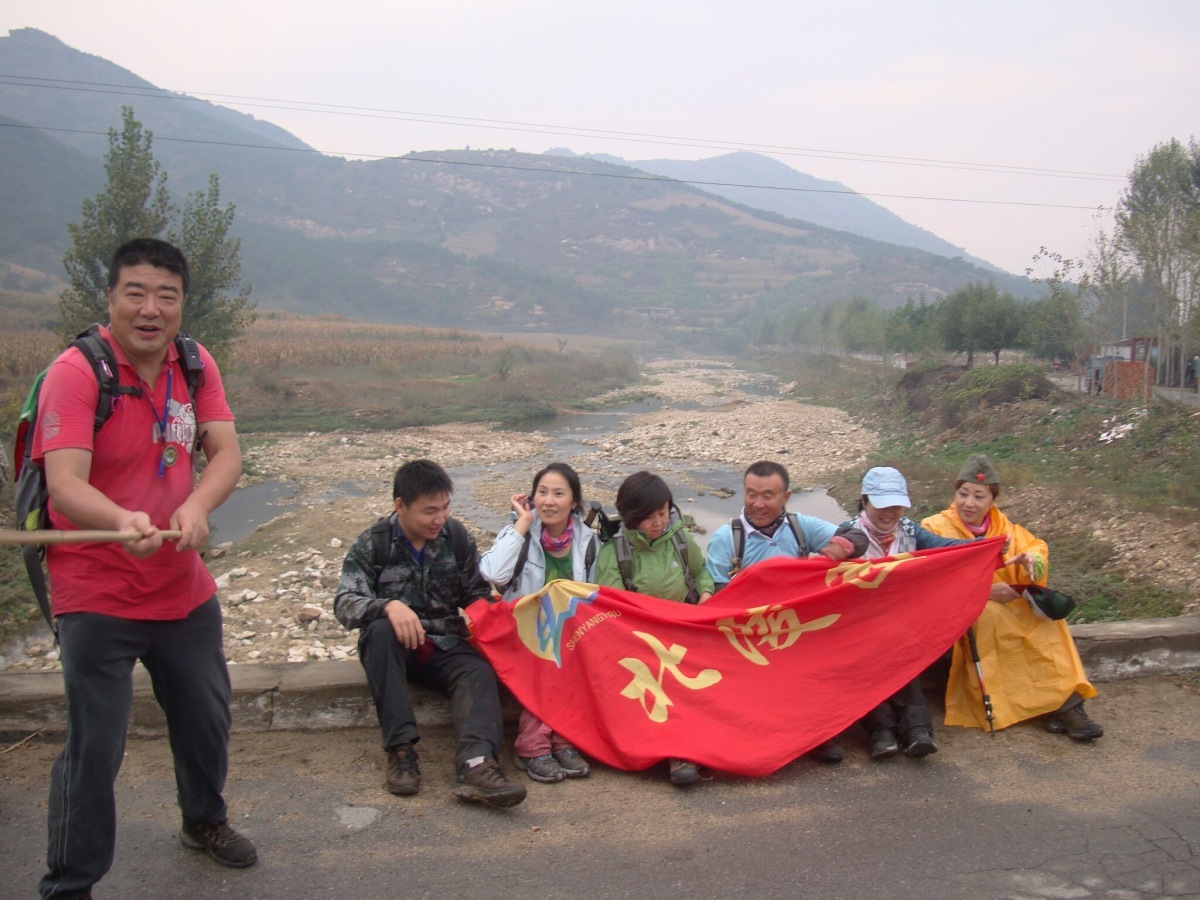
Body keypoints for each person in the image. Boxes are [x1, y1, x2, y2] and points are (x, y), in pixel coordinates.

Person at [33, 238, 255, 899]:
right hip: (94, 590)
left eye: (166, 296)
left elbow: (226, 455)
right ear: (111, 299)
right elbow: (64, 484)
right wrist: (121, 519)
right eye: (136, 293)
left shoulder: (194, 364)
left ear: (183, 304)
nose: (150, 309)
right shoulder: (76, 373)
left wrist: (196, 503)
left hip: (180, 587)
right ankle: (69, 883)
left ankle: (203, 820)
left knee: (207, 716)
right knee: (94, 749)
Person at [334, 459, 527, 808]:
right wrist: (388, 606)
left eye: (445, 507)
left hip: (442, 645)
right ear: (400, 506)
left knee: (476, 671)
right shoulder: (373, 544)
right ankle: (402, 751)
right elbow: (345, 602)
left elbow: (474, 593)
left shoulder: (455, 538)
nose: (439, 518)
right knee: (378, 631)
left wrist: (499, 614)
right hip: (394, 652)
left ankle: (477, 764)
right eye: (429, 511)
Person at [921, 454, 1103, 740]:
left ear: (992, 500)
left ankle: (1062, 704)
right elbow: (934, 576)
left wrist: (1029, 561)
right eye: (963, 494)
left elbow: (1036, 549)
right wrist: (985, 591)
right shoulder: (934, 527)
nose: (969, 503)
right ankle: (1053, 707)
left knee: (1049, 623)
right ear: (954, 494)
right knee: (993, 620)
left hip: (1010, 602)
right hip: (966, 607)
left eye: (979, 496)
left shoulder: (1007, 530)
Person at [704, 459, 869, 763]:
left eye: (768, 495)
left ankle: (819, 734)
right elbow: (718, 600)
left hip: (796, 628)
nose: (758, 503)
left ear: (786, 497)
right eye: (751, 494)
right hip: (749, 634)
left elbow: (858, 535)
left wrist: (840, 547)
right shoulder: (726, 539)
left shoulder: (800, 526)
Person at [593, 470, 715, 785]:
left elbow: (701, 573)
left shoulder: (679, 538)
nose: (658, 522)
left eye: (662, 513)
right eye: (648, 518)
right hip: (639, 639)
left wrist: (705, 596)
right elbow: (610, 607)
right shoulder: (615, 553)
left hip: (683, 628)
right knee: (670, 683)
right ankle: (680, 755)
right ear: (630, 517)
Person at [842, 467, 970, 760]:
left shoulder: (910, 531)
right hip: (857, 627)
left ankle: (915, 729)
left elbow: (947, 550)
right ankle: (883, 729)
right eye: (881, 505)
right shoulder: (847, 534)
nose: (889, 513)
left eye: (896, 506)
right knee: (871, 655)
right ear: (865, 501)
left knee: (899, 650)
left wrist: (989, 548)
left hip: (901, 623)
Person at [479, 462, 595, 784]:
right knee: (549, 654)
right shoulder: (521, 532)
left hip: (566, 633)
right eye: (542, 493)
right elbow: (492, 574)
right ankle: (536, 744)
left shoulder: (589, 543)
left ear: (574, 501)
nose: (549, 501)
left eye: (559, 494)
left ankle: (557, 739)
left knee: (564, 652)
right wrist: (522, 523)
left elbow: (596, 595)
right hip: (520, 633)